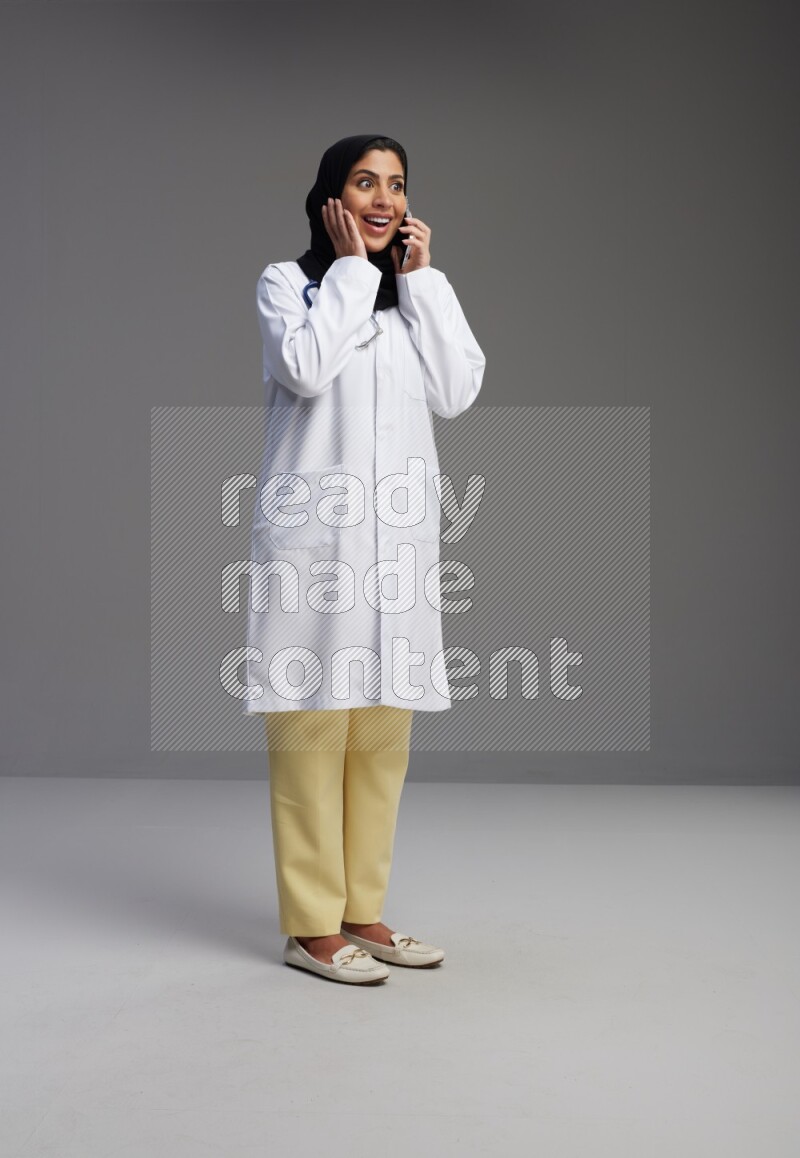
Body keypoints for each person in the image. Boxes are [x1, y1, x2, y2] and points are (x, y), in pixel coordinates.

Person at [244, 134, 486, 984]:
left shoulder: (413, 300)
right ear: (331, 198)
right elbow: (305, 369)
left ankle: (363, 911)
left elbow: (457, 391)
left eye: (397, 185)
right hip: (318, 550)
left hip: (398, 550)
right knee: (311, 729)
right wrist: (351, 273)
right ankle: (310, 927)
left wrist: (420, 282)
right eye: (364, 182)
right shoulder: (293, 284)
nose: (383, 198)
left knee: (383, 735)